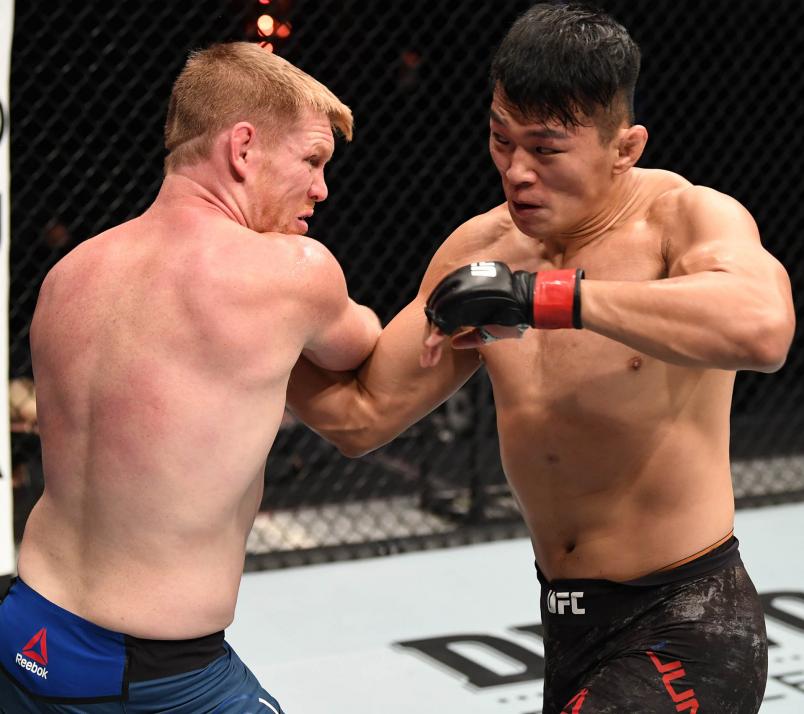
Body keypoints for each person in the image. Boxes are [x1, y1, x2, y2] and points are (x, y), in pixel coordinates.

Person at [286, 4, 795, 712]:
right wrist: (255, 320)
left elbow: (764, 329)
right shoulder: (481, 251)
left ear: (626, 146)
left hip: (688, 621)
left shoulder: (685, 220)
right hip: (566, 626)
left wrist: (546, 298)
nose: (517, 172)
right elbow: (360, 416)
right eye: (501, 140)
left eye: (548, 149)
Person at [0, 42, 380, 713]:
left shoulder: (70, 276)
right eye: (312, 161)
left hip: (25, 633)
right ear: (243, 148)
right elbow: (365, 350)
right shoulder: (291, 272)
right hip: (156, 678)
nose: (322, 189)